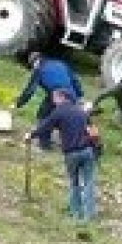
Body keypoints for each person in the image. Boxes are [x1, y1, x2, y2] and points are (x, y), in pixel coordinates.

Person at [26, 88, 99, 221]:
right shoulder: (81, 111)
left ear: (62, 98)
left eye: (55, 98)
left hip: (71, 152)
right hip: (87, 150)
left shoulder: (59, 111)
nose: (54, 101)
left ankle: (75, 213)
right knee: (89, 182)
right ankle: (89, 215)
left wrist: (31, 135)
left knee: (74, 182)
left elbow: (45, 126)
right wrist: (96, 148)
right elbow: (94, 131)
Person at [15, 52, 83, 151]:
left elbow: (30, 90)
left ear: (36, 61)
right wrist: (79, 96)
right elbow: (75, 80)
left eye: (32, 65)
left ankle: (44, 145)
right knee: (67, 116)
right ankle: (74, 142)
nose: (33, 67)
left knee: (43, 115)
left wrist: (18, 103)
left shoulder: (39, 69)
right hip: (72, 95)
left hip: (58, 95)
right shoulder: (60, 64)